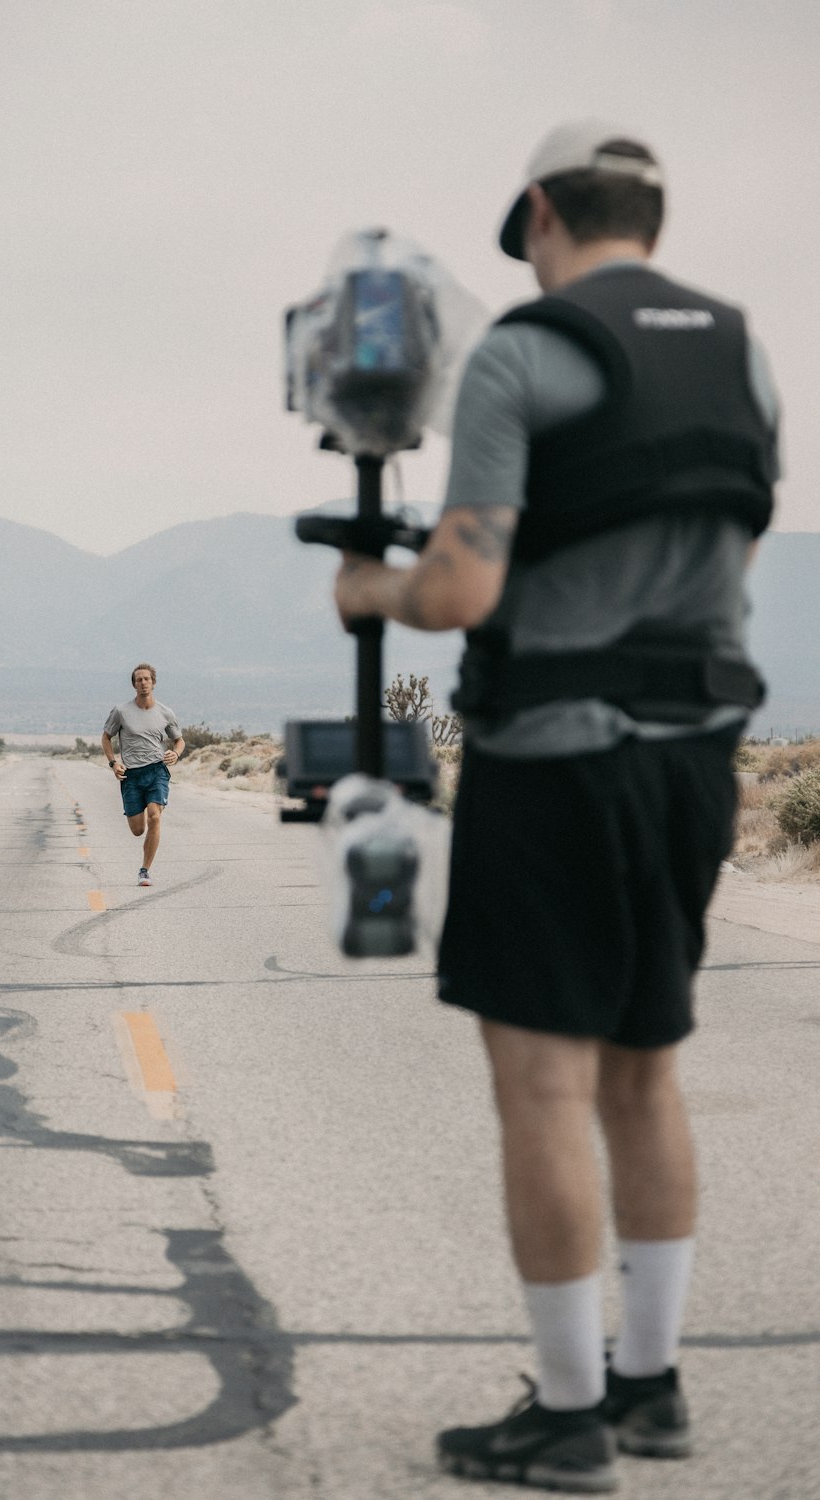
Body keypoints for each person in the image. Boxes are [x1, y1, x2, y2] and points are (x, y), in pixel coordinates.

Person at [334, 119, 778, 1493]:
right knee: (646, 1074)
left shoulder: (524, 352)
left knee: (545, 1083)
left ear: (538, 212)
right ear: (654, 208)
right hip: (697, 758)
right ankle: (653, 1388)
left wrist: (374, 591)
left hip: (557, 756)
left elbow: (462, 588)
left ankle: (568, 1412)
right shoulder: (743, 349)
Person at [102, 664, 185, 886]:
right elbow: (106, 737)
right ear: (134, 684)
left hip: (157, 770)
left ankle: (144, 871)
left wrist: (175, 754)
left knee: (155, 816)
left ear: (154, 682)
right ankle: (144, 853)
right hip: (132, 775)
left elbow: (179, 740)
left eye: (147, 679)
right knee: (138, 829)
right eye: (139, 680)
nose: (143, 683)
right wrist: (113, 763)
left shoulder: (165, 712)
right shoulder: (121, 711)